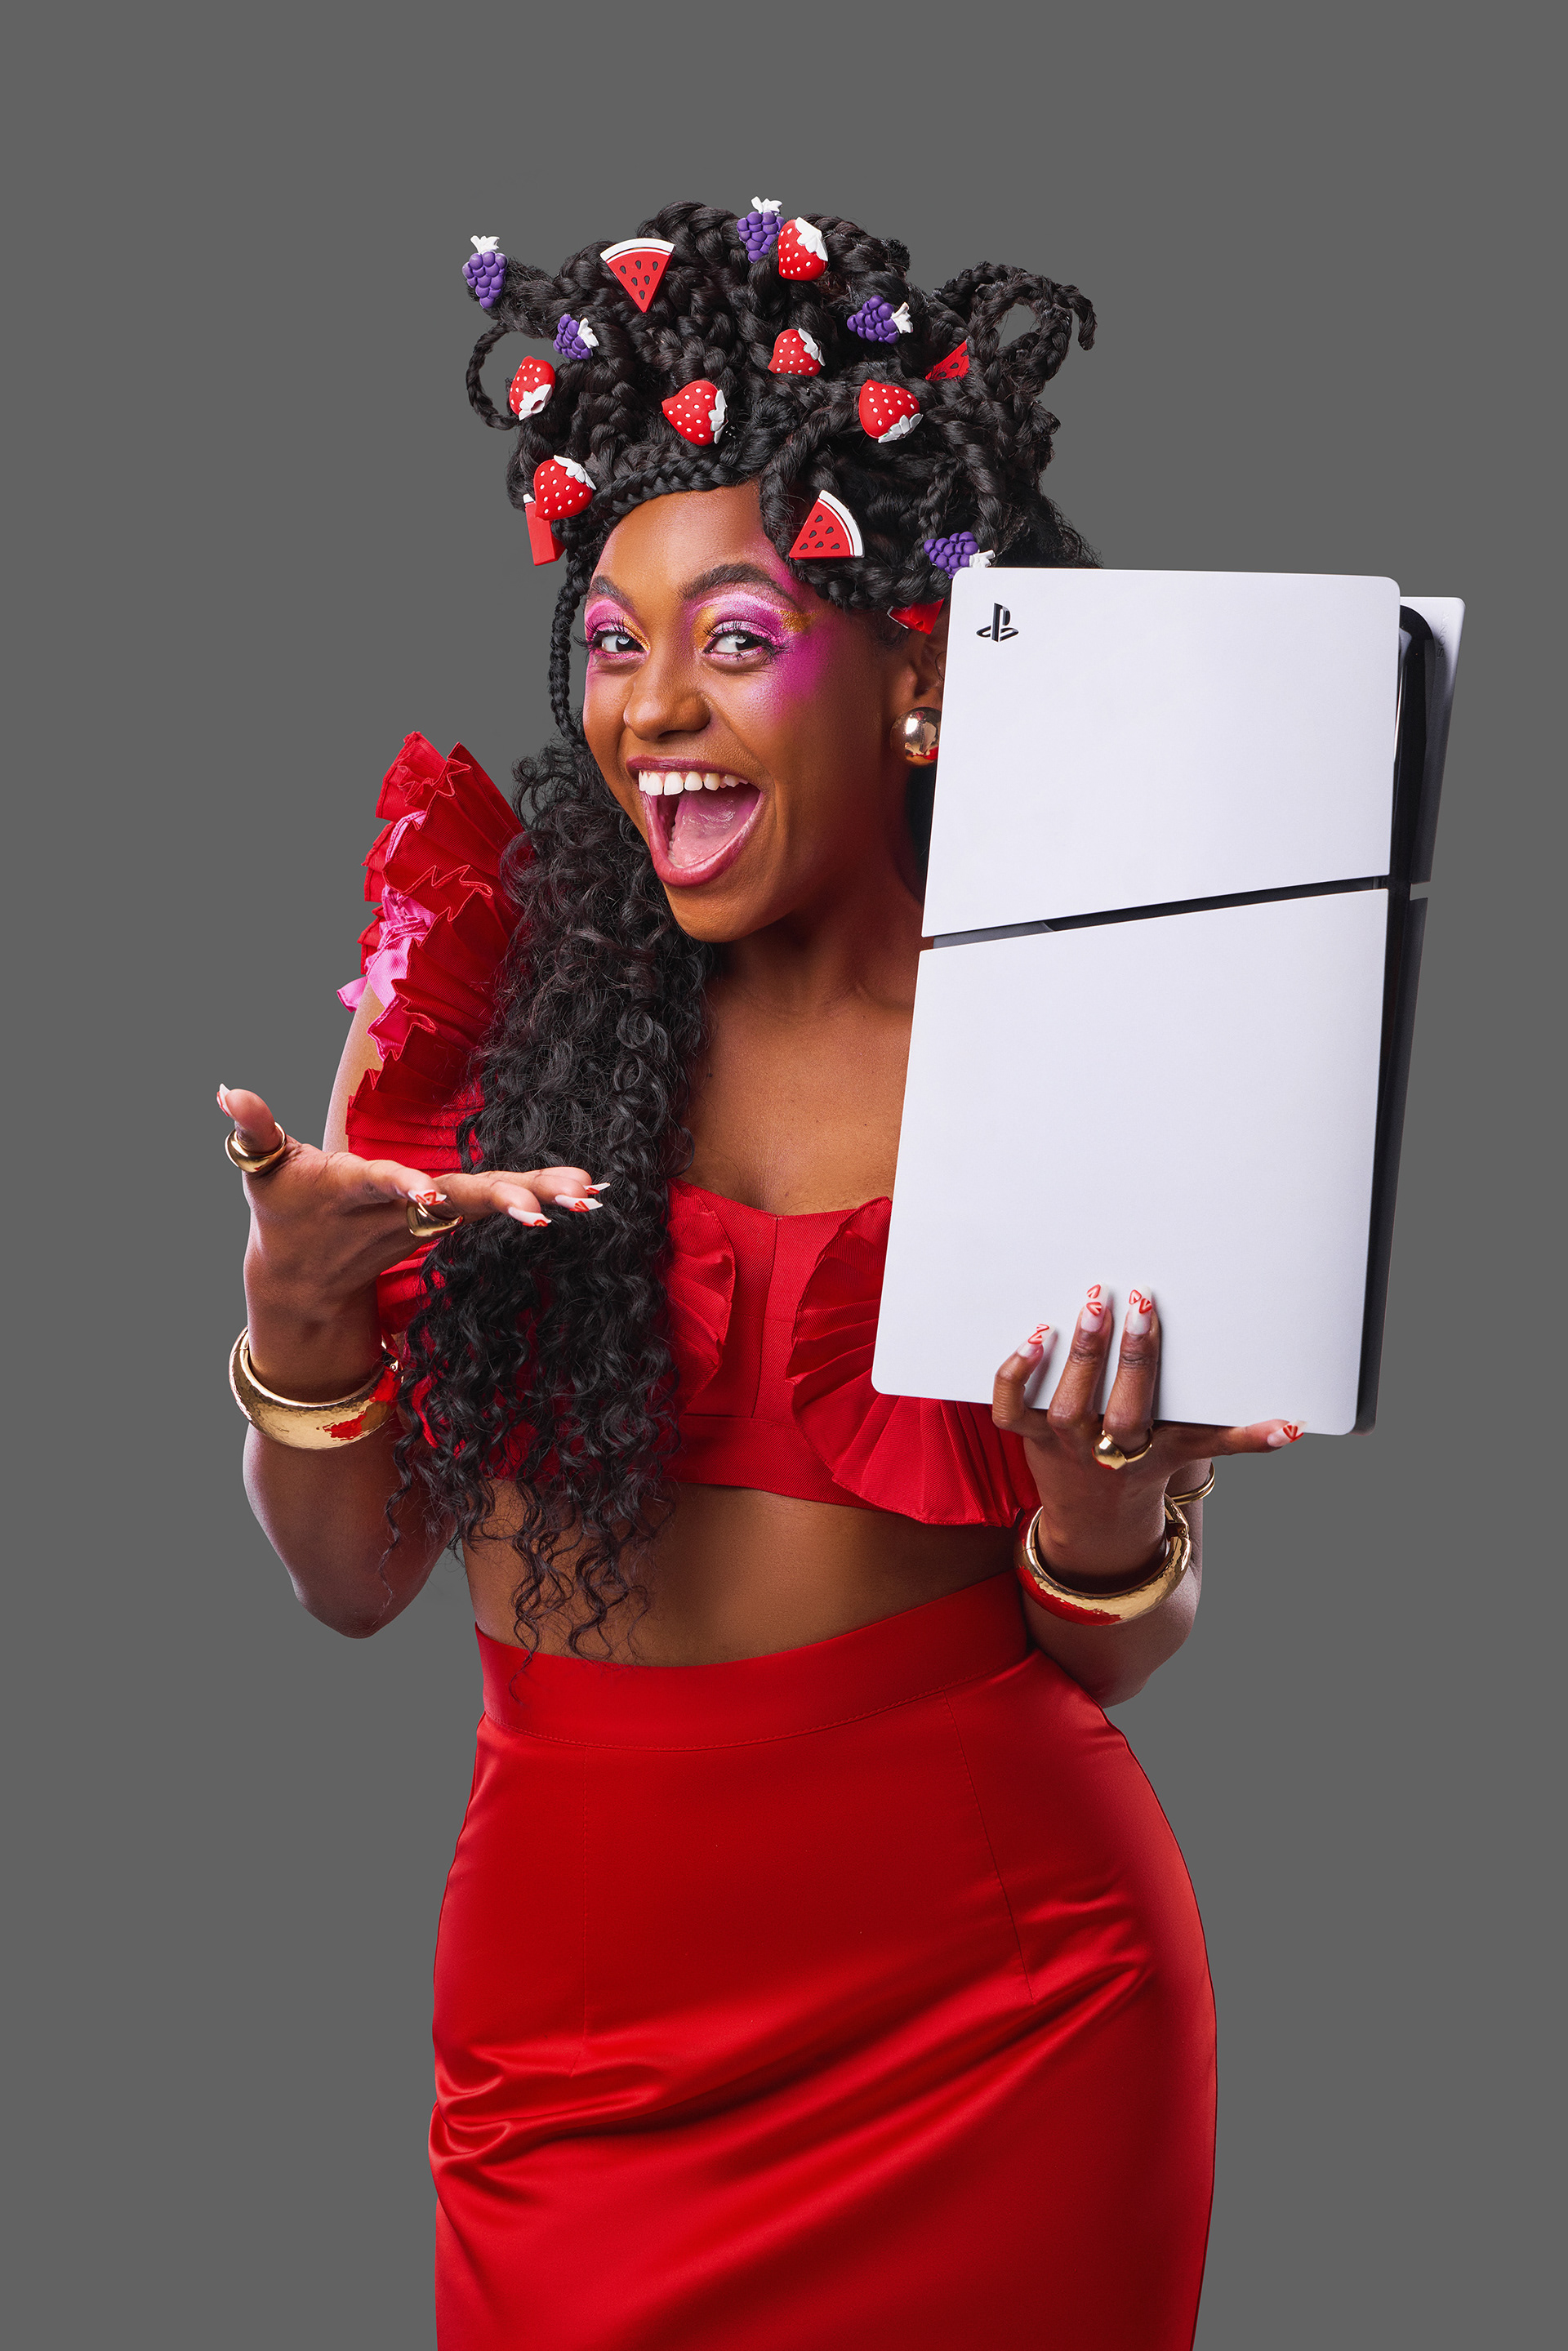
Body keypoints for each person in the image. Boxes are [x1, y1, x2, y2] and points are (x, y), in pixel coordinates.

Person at [221, 200, 1302, 2351]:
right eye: (614, 642)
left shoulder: (1073, 1032)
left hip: (1004, 2020)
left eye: (735, 634)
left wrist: (1105, 1520)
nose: (657, 710)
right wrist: (298, 1322)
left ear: (917, 673)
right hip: (572, 2064)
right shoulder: (482, 999)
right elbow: (351, 1580)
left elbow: (1109, 1654)